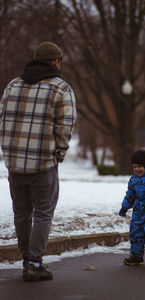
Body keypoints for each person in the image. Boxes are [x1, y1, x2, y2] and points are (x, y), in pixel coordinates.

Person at [0, 42, 77, 281]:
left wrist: (8, 152)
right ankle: (34, 262)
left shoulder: (13, 85)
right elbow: (65, 127)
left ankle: (27, 260)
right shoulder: (61, 88)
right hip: (43, 164)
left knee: (21, 213)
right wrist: (59, 154)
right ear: (56, 61)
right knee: (43, 212)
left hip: (14, 164)